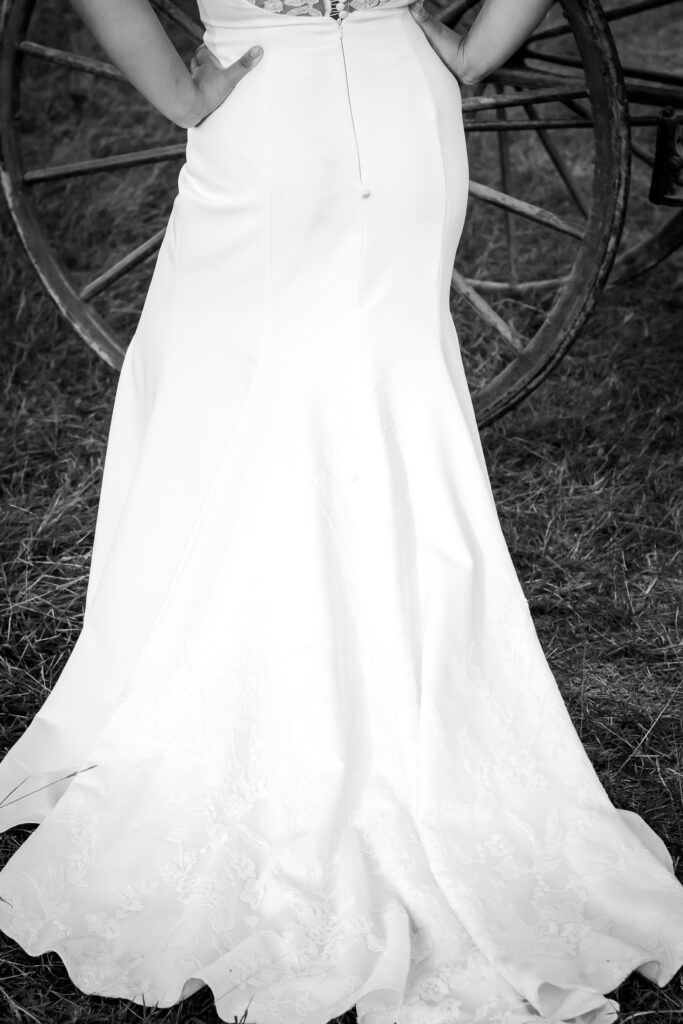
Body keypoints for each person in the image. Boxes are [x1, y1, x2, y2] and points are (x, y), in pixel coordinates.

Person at [0, 0, 682, 1021]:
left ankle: (259, 705)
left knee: (230, 399)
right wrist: (476, 45)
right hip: (405, 101)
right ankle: (406, 710)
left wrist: (182, 92)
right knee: (389, 413)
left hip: (266, 110)